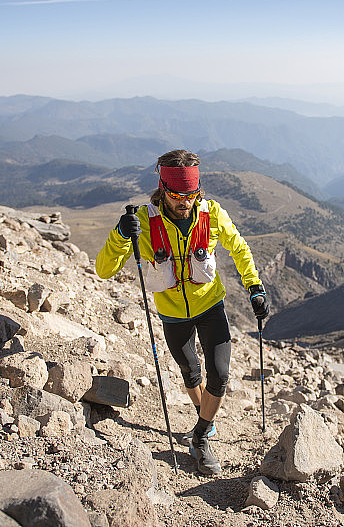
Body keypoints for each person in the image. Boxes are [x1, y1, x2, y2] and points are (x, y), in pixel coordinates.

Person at [95, 149, 269, 476]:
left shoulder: (212, 214)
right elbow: (104, 270)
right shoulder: (143, 223)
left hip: (210, 306)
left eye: (191, 195)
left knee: (219, 373)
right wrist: (120, 235)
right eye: (177, 195)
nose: (184, 202)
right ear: (162, 189)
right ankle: (205, 415)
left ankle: (200, 437)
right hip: (172, 314)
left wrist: (254, 286)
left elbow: (240, 248)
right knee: (191, 372)